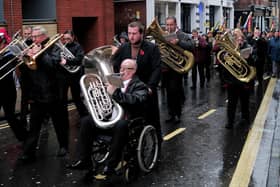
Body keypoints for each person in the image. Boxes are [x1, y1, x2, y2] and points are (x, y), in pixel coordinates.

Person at [68, 59, 149, 180]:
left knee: (121, 125)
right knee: (86, 121)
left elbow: (136, 101)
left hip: (128, 122)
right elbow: (101, 103)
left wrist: (115, 92)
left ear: (134, 71)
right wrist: (97, 96)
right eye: (121, 68)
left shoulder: (140, 85)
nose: (122, 71)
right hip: (109, 119)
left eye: (126, 68)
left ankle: (110, 165)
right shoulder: (113, 82)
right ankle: (83, 160)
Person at [19, 26, 69, 162]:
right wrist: (23, 59)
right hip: (37, 94)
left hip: (53, 93)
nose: (33, 39)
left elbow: (53, 66)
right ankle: (28, 153)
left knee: (59, 123)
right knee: (34, 126)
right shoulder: (31, 46)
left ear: (43, 36)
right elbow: (26, 70)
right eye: (32, 37)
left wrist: (40, 53)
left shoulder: (54, 47)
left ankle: (63, 146)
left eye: (35, 37)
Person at [111, 21, 162, 143]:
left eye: (134, 33)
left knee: (152, 117)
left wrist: (150, 87)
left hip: (146, 87)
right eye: (129, 33)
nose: (131, 36)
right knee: (129, 118)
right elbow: (116, 66)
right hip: (128, 88)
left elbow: (157, 69)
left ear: (141, 34)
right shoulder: (123, 47)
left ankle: (157, 140)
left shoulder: (152, 48)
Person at [222, 28, 255, 129]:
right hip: (232, 80)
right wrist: (226, 56)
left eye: (239, 37)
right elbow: (224, 65)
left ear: (242, 38)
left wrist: (248, 58)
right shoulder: (229, 48)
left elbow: (253, 64)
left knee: (244, 102)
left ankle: (245, 119)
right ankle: (230, 121)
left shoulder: (247, 47)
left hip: (244, 81)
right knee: (231, 103)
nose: (237, 39)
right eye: (235, 37)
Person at [163, 16, 193, 124]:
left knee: (175, 91)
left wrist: (178, 42)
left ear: (176, 24)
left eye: (171, 25)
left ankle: (177, 114)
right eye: (167, 25)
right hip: (166, 67)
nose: (169, 27)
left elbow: (191, 46)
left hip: (177, 67)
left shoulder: (182, 35)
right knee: (168, 93)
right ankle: (171, 114)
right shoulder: (164, 35)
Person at [0, 28, 27, 142]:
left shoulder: (10, 53)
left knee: (10, 116)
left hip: (7, 89)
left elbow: (8, 71)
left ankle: (24, 137)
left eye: (1, 43)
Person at [58, 30, 88, 119]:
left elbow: (79, 59)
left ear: (73, 37)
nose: (66, 40)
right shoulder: (62, 47)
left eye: (68, 38)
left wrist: (66, 61)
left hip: (75, 76)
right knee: (62, 98)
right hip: (64, 76)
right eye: (65, 39)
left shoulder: (78, 47)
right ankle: (63, 117)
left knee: (76, 97)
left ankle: (84, 116)